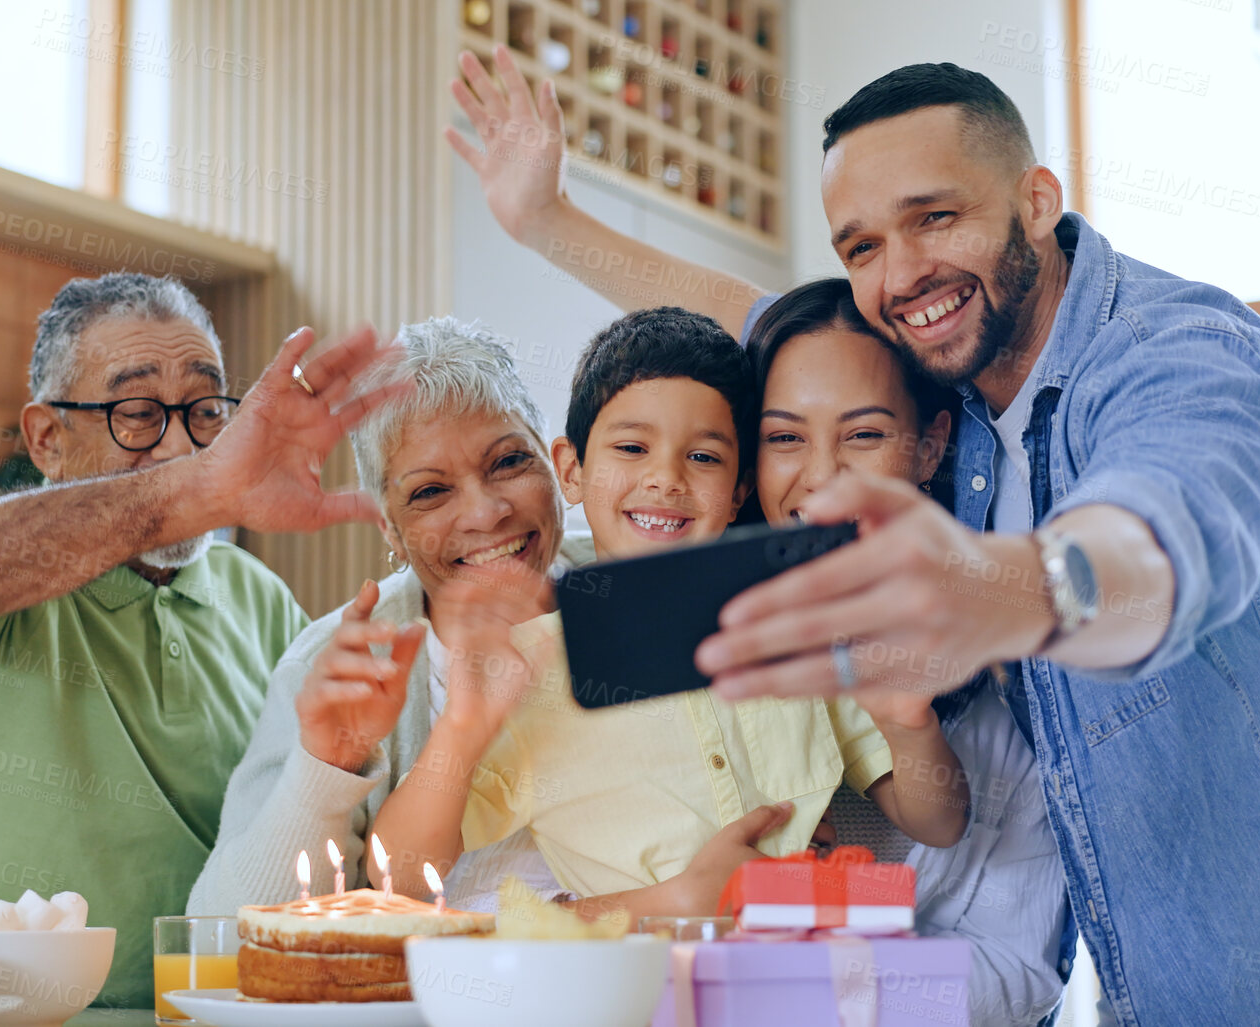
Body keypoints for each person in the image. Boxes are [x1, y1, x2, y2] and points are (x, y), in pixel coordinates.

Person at [451, 49, 1260, 1027]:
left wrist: (1019, 584)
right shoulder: (951, 400)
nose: (900, 272)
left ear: (1036, 201)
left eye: (936, 219)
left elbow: (1161, 538)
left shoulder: (1185, 358)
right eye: (862, 245)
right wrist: (547, 221)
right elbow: (760, 315)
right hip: (1181, 986)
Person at [0, 272, 404, 1008]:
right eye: (138, 411)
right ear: (47, 438)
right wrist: (204, 487)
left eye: (205, 410)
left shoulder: (263, 602)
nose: (182, 440)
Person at [189, 317, 796, 919]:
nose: (485, 513)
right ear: (389, 527)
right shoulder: (337, 667)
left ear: (560, 467)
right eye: (429, 492)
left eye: (508, 462)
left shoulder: (646, 576)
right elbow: (225, 934)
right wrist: (329, 766)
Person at [368, 307, 968, 911]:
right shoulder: (528, 671)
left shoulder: (797, 632)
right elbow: (401, 877)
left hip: (802, 980)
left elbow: (940, 824)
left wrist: (908, 723)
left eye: (703, 457)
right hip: (635, 991)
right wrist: (462, 730)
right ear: (571, 471)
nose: (665, 479)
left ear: (739, 491)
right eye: (632, 447)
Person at [750, 278, 1067, 1027]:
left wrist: (781, 979)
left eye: (862, 436)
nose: (821, 479)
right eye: (783, 437)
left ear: (929, 445)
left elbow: (1018, 973)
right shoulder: (691, 655)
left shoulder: (1009, 697)